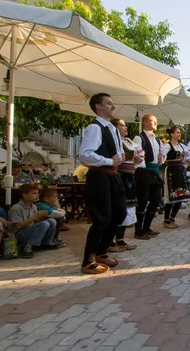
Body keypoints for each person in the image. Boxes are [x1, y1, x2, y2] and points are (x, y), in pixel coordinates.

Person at [79, 93, 126, 274]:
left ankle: (101, 251)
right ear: (98, 107)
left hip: (113, 175)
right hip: (99, 176)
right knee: (101, 219)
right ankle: (87, 261)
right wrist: (109, 161)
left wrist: (121, 158)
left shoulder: (112, 129)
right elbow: (85, 154)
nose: (113, 107)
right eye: (109, 103)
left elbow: (115, 154)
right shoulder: (95, 127)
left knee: (119, 214)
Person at [9, 184, 64, 259]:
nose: (37, 195)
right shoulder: (16, 208)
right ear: (24, 195)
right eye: (34, 193)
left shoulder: (33, 206)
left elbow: (35, 222)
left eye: (37, 193)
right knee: (44, 224)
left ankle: (46, 243)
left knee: (51, 221)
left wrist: (41, 217)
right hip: (19, 234)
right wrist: (35, 217)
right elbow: (18, 226)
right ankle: (27, 247)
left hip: (30, 230)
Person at [111, 118, 141, 250]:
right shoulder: (114, 142)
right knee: (119, 207)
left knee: (128, 206)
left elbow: (133, 162)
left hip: (130, 176)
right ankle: (111, 240)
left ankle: (120, 239)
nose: (126, 128)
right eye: (122, 126)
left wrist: (136, 160)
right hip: (119, 176)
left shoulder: (128, 141)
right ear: (115, 128)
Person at [133, 115, 165, 239]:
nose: (156, 123)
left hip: (155, 171)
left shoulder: (157, 139)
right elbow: (136, 152)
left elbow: (162, 153)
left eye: (156, 121)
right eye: (153, 121)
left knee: (156, 198)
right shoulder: (139, 137)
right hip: (143, 171)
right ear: (145, 123)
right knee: (142, 200)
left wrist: (161, 159)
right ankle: (138, 229)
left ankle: (147, 226)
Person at [161, 126, 190, 227]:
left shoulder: (182, 146)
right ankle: (166, 220)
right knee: (171, 194)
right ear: (172, 134)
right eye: (177, 132)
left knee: (181, 194)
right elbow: (162, 157)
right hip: (171, 171)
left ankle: (172, 218)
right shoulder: (167, 146)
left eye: (180, 133)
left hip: (180, 171)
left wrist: (188, 162)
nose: (179, 134)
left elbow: (189, 157)